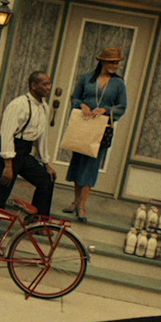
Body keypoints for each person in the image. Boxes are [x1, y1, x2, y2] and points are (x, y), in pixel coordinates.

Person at [0, 71, 57, 245]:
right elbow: (6, 134)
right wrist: (8, 164)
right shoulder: (18, 105)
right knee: (0, 194)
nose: (49, 87)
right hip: (6, 149)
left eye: (49, 83)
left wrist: (46, 162)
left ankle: (37, 222)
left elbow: (41, 137)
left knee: (46, 180)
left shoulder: (44, 107)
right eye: (45, 84)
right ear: (34, 86)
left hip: (23, 150)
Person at [63, 47, 128, 223]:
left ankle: (83, 205)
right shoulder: (87, 78)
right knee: (78, 163)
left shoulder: (119, 84)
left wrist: (106, 110)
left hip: (102, 128)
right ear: (102, 62)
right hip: (84, 125)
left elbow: (122, 106)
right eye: (111, 62)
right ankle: (76, 201)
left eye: (117, 62)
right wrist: (81, 105)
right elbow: (75, 98)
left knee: (91, 165)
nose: (115, 65)